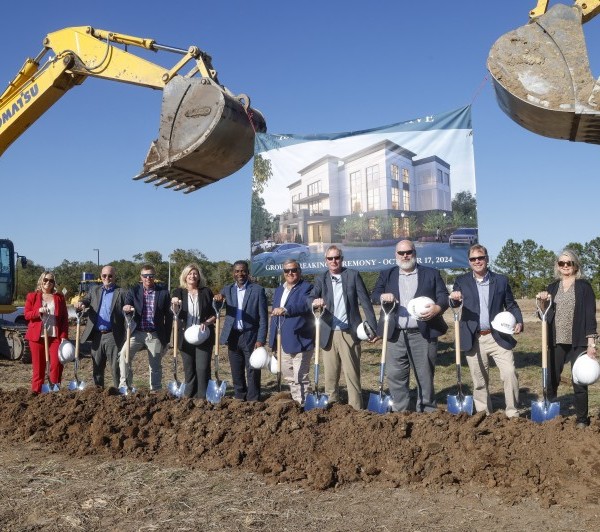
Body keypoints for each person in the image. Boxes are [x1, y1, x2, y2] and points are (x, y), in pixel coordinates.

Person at [371, 240, 448, 413]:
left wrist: (437, 308)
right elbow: (375, 295)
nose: (405, 256)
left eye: (408, 252)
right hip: (394, 334)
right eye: (401, 253)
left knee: (425, 375)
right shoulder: (387, 274)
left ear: (414, 253)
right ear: (395, 255)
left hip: (422, 334)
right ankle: (400, 411)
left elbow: (443, 296)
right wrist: (383, 296)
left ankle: (427, 411)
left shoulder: (431, 274)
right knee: (395, 375)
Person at [450, 244, 523, 418]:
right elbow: (454, 303)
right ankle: (484, 414)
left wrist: (519, 321)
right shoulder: (461, 281)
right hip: (474, 337)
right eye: (473, 259)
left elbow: (511, 304)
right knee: (479, 381)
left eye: (480, 258)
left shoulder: (501, 280)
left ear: (487, 259)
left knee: (509, 373)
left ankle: (512, 413)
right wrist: (454, 299)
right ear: (469, 262)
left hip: (498, 336)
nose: (477, 261)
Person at [310, 245, 377, 410]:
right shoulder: (321, 279)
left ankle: (356, 410)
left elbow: (366, 302)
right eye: (330, 258)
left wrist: (373, 328)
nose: (334, 261)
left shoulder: (352, 275)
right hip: (328, 333)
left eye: (337, 257)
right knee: (331, 377)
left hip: (349, 332)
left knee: (352, 376)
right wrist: (314, 301)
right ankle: (332, 411)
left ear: (341, 259)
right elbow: (311, 296)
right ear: (326, 261)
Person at [536, 249, 597, 428]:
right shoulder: (552, 287)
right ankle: (551, 414)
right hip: (556, 340)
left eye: (568, 263)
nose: (564, 266)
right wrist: (542, 301)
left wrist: (591, 342)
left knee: (579, 380)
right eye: (561, 263)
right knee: (551, 378)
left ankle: (581, 419)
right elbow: (543, 316)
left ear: (575, 265)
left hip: (578, 341)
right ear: (557, 266)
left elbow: (589, 316)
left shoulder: (584, 287)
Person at [214, 260, 268, 401]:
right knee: (236, 369)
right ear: (233, 273)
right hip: (233, 335)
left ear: (248, 272)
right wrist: (218, 299)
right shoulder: (227, 289)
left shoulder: (257, 290)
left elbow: (263, 317)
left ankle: (253, 398)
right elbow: (217, 305)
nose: (240, 274)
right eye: (237, 271)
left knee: (252, 369)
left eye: (243, 271)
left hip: (250, 335)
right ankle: (239, 397)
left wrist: (261, 339)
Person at [119, 264, 171, 391]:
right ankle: (125, 386)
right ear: (141, 277)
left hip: (154, 334)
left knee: (155, 365)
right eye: (145, 276)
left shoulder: (163, 293)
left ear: (154, 277)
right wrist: (126, 307)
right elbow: (127, 305)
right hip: (136, 333)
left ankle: (156, 389)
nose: (148, 278)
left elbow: (168, 317)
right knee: (124, 355)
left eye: (151, 276)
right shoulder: (134, 291)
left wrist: (166, 340)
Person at [269, 259, 314, 404]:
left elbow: (304, 305)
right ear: (283, 273)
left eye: (293, 270)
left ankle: (306, 405)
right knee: (289, 377)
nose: (290, 273)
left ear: (299, 271)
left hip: (301, 340)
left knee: (300, 377)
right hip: (283, 340)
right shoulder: (279, 290)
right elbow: (274, 316)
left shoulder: (307, 287)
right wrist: (273, 342)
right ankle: (297, 403)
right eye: (287, 271)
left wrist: (286, 310)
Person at [171, 263, 217, 399]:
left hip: (203, 335)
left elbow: (215, 314)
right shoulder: (178, 292)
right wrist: (174, 303)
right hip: (185, 337)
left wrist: (206, 323)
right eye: (190, 273)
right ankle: (189, 396)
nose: (192, 276)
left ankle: (203, 397)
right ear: (185, 276)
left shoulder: (206, 292)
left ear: (199, 276)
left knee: (202, 369)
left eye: (195, 273)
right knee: (189, 369)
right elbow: (174, 312)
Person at [77, 265, 127, 388]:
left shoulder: (122, 292)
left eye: (110, 276)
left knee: (116, 368)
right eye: (104, 275)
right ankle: (99, 395)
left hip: (113, 336)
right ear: (101, 276)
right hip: (97, 336)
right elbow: (86, 300)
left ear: (114, 277)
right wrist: (82, 303)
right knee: (97, 368)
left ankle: (118, 393)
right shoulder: (94, 290)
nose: (107, 278)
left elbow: (128, 308)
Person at [24, 271, 69, 393]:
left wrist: (64, 336)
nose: (48, 282)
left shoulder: (59, 298)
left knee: (56, 365)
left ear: (54, 283)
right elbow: (27, 315)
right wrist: (38, 311)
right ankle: (36, 392)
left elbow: (64, 319)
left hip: (54, 337)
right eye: (45, 280)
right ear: (41, 281)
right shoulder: (32, 296)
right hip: (37, 337)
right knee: (38, 369)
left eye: (51, 280)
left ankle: (53, 392)